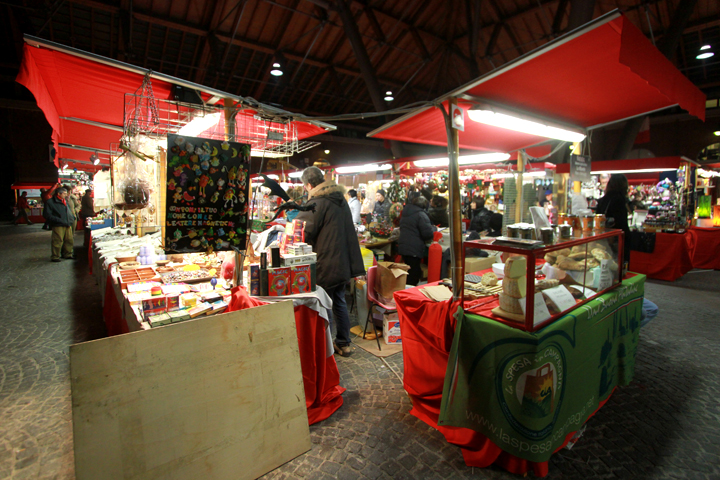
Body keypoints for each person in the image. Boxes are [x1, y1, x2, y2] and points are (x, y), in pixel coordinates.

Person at [294, 167, 365, 357]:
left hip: (326, 263)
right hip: (343, 262)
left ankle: (327, 350)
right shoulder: (340, 199)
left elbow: (302, 230)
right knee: (339, 301)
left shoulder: (317, 202)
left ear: (309, 185)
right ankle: (344, 343)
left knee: (325, 305)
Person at [398, 196, 436, 286]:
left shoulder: (406, 212)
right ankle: (409, 292)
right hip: (414, 247)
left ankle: (405, 289)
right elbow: (427, 234)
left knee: (408, 271)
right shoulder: (421, 215)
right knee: (413, 274)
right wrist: (434, 229)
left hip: (404, 245)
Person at [596, 174, 631, 260]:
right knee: (618, 262)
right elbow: (622, 223)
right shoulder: (620, 200)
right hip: (617, 239)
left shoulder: (602, 200)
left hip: (603, 238)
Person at [42, 187, 75, 262]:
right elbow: (47, 215)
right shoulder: (50, 202)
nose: (66, 195)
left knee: (69, 240)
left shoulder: (64, 200)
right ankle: (55, 256)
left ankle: (68, 254)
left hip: (67, 223)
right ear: (59, 194)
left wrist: (72, 218)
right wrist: (58, 220)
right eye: (64, 193)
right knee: (57, 240)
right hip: (58, 224)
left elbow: (68, 211)